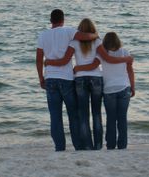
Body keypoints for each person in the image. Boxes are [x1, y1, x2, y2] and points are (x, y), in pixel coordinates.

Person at [44, 19, 133, 150]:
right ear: (92, 29)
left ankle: (87, 146)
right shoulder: (97, 42)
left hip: (80, 80)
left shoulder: (74, 42)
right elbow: (101, 61)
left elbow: (65, 60)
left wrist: (52, 63)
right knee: (96, 114)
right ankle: (98, 146)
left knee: (83, 116)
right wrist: (127, 59)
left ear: (80, 29)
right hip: (96, 79)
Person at [36, 9, 99, 151]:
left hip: (50, 78)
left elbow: (39, 59)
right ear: (63, 20)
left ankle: (60, 148)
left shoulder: (43, 35)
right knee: (73, 114)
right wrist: (95, 34)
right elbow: (86, 37)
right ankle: (78, 146)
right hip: (67, 78)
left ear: (51, 21)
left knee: (55, 116)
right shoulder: (68, 31)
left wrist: (41, 77)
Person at [70, 32, 135, 150]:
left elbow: (92, 66)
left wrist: (78, 68)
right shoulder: (125, 52)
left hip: (109, 90)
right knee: (122, 119)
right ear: (118, 41)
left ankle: (110, 145)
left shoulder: (102, 54)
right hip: (124, 88)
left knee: (110, 118)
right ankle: (122, 146)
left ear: (104, 42)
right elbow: (130, 71)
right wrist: (133, 86)